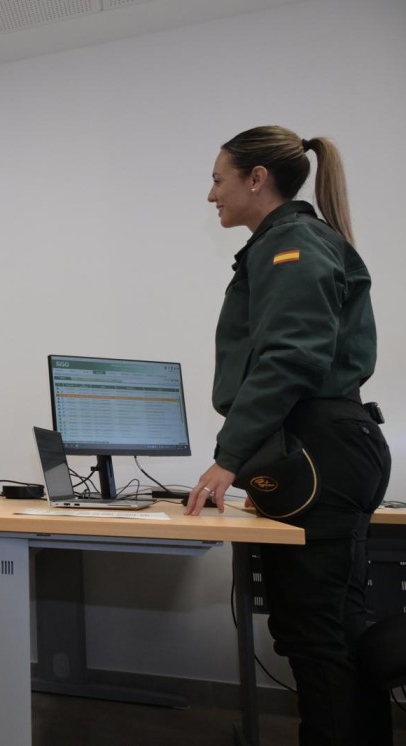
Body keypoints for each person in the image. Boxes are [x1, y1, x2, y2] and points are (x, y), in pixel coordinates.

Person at [186, 126, 391, 745]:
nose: (210, 194)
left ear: (256, 179)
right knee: (336, 630)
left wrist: (227, 460)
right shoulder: (292, 242)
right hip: (327, 446)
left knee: (313, 637)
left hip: (321, 447)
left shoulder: (292, 244)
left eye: (219, 179)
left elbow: (289, 359)